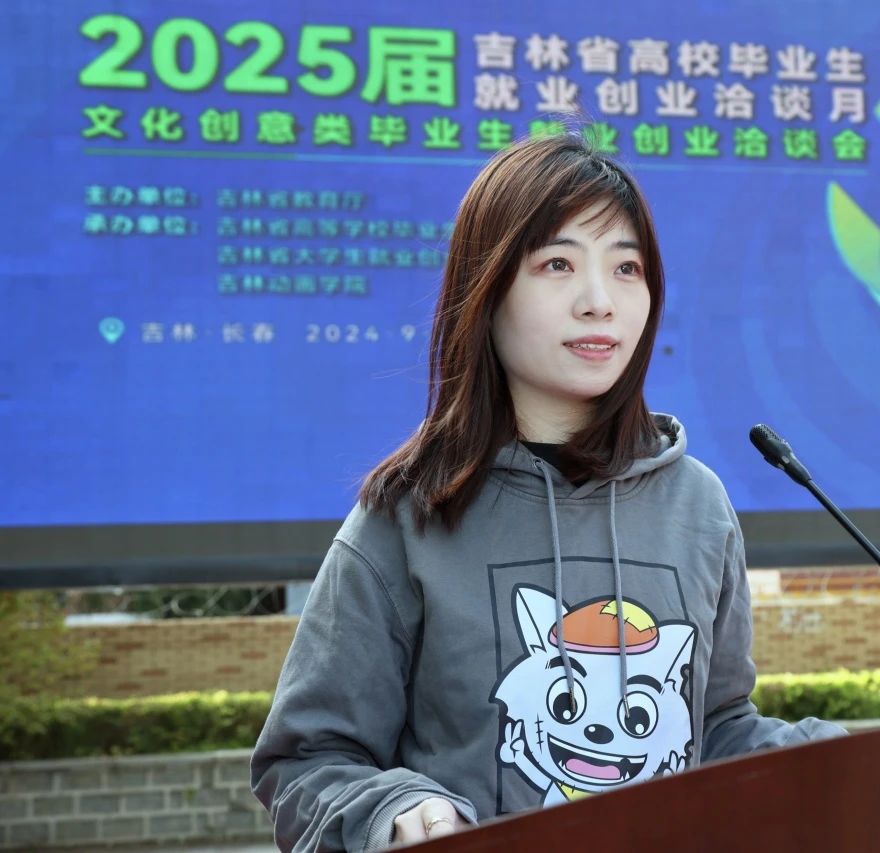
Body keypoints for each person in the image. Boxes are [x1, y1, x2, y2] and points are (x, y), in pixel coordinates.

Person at [250, 132, 845, 852]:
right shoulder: (405, 516)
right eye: (558, 264)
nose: (600, 302)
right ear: (486, 289)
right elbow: (306, 761)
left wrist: (832, 758)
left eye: (626, 268)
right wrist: (395, 809)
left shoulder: (696, 504)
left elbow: (712, 729)